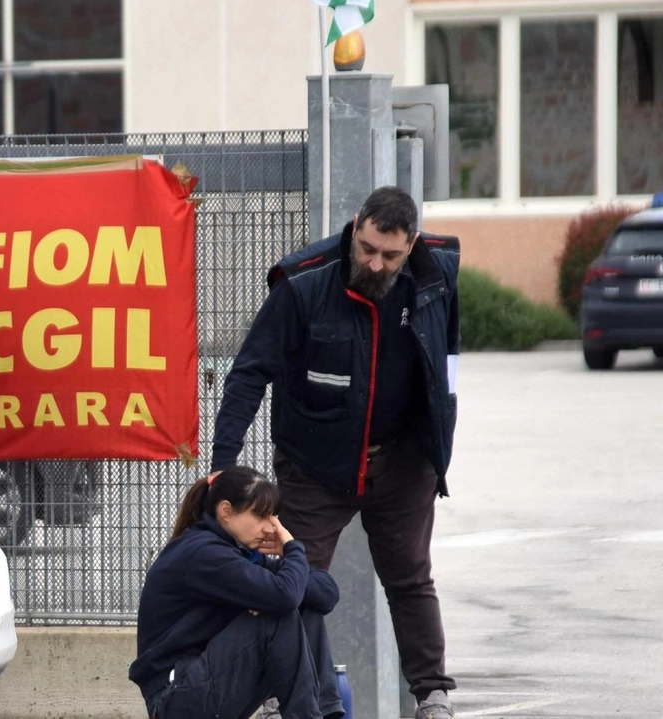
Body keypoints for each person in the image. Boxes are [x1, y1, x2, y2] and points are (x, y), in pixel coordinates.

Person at [210, 186, 461, 719]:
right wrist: (223, 465)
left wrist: (439, 446)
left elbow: (446, 361)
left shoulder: (436, 276)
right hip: (314, 465)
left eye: (390, 255)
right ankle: (286, 697)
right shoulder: (303, 283)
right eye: (367, 248)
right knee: (290, 581)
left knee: (410, 577)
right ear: (355, 226)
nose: (375, 262)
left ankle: (433, 697)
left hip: (403, 461)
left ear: (410, 244)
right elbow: (249, 374)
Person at [129, 466, 345, 719]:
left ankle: (327, 714)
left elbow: (327, 593)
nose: (271, 528)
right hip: (173, 700)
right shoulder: (202, 554)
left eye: (274, 517)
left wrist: (289, 559)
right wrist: (292, 548)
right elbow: (285, 596)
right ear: (226, 511)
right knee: (277, 614)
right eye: (261, 516)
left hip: (201, 688)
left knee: (304, 607)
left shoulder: (237, 554)